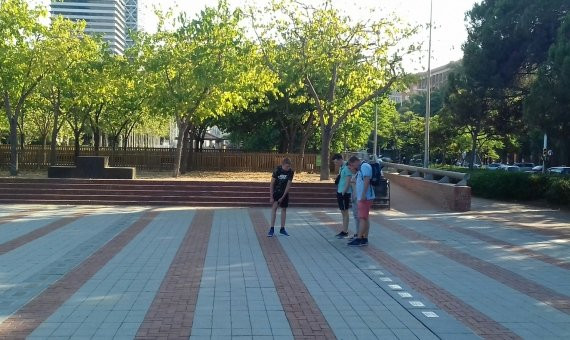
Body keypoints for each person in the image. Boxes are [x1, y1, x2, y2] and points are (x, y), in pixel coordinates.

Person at [347, 156, 375, 246]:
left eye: (352, 164)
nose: (352, 166)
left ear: (356, 161)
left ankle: (359, 238)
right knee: (365, 218)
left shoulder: (364, 166)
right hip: (363, 197)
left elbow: (367, 180)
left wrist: (363, 193)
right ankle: (364, 238)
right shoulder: (361, 168)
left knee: (362, 218)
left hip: (365, 197)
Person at [268, 157, 294, 237]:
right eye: (286, 166)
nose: (288, 168)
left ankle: (282, 229)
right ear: (282, 165)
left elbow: (288, 185)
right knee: (274, 208)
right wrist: (271, 196)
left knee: (284, 209)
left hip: (284, 193)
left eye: (289, 166)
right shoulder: (277, 170)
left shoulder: (290, 172)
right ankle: (271, 229)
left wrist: (283, 197)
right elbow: (272, 183)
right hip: (276, 191)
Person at [332, 154, 352, 238]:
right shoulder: (342, 167)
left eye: (336, 162)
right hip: (340, 191)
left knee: (345, 212)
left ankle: (345, 231)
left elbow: (348, 180)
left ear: (341, 159)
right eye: (334, 163)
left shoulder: (347, 167)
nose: (336, 164)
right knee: (342, 212)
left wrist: (344, 192)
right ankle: (344, 230)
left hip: (344, 193)